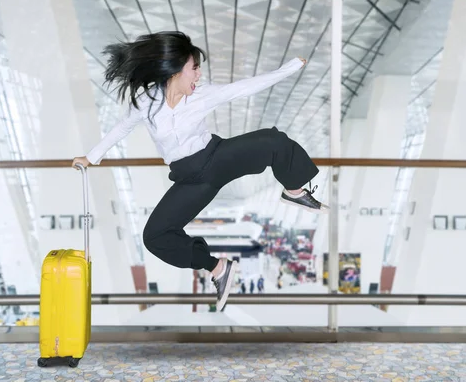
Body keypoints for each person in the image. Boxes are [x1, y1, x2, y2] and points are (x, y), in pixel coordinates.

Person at [72, 31, 329, 312]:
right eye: (194, 68)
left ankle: (294, 192)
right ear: (175, 70)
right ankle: (217, 267)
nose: (199, 75)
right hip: (191, 180)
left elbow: (245, 87)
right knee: (155, 236)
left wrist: (290, 68)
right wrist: (90, 157)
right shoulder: (147, 103)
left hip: (216, 158)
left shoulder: (203, 95)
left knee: (273, 141)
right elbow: (121, 128)